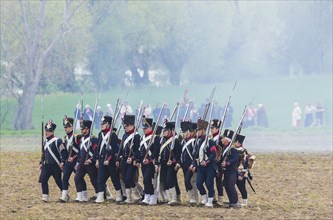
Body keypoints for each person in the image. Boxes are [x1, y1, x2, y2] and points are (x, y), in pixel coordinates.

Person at [95, 116, 122, 203]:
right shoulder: (100, 134)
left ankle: (119, 195)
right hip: (102, 159)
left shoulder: (113, 135)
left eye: (104, 124)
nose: (102, 125)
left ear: (108, 125)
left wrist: (109, 159)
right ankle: (100, 196)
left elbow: (114, 149)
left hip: (110, 161)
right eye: (101, 124)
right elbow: (98, 148)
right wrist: (97, 159)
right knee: (100, 179)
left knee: (114, 178)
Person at [116, 114, 141, 204]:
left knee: (128, 178)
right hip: (124, 160)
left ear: (132, 125)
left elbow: (139, 150)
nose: (125, 127)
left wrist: (133, 157)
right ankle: (129, 198)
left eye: (127, 126)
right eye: (124, 126)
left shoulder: (137, 136)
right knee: (124, 179)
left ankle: (136, 195)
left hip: (132, 161)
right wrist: (118, 159)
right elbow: (121, 149)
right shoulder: (124, 136)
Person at [156, 121, 181, 206]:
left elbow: (178, 154)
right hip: (163, 164)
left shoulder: (175, 141)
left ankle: (174, 198)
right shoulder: (162, 140)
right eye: (164, 130)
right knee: (165, 181)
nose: (164, 132)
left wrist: (173, 161)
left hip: (171, 165)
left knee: (170, 180)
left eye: (166, 130)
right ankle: (169, 199)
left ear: (171, 131)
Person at [193, 119, 216, 208]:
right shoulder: (198, 141)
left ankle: (210, 201)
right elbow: (195, 154)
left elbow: (214, 154)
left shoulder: (210, 141)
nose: (197, 132)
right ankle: (204, 199)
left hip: (209, 166)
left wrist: (207, 161)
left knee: (209, 184)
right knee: (198, 183)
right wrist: (195, 164)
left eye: (198, 130)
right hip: (200, 166)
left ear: (203, 130)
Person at [74, 119, 99, 202]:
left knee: (94, 180)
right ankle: (80, 196)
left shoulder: (93, 139)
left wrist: (91, 160)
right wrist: (77, 162)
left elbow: (96, 152)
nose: (81, 130)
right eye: (81, 129)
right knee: (77, 178)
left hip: (90, 163)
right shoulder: (81, 139)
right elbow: (80, 152)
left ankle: (99, 195)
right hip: (81, 163)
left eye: (83, 129)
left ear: (88, 129)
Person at [138, 117, 161, 205]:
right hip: (143, 162)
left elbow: (156, 151)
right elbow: (141, 150)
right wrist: (140, 160)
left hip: (151, 163)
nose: (144, 130)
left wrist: (150, 159)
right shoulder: (142, 138)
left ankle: (151, 196)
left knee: (148, 179)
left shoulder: (155, 138)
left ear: (151, 128)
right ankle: (147, 196)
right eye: (143, 128)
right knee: (145, 180)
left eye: (146, 128)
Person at [39, 120, 63, 202]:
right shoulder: (45, 141)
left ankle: (64, 194)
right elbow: (43, 153)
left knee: (58, 181)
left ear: (52, 132)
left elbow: (63, 153)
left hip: (55, 165)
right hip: (47, 165)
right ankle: (45, 196)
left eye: (48, 131)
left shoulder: (58, 141)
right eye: (46, 131)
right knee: (43, 180)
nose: (46, 133)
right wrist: (41, 162)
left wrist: (62, 162)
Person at [59, 116, 81, 203]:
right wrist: (63, 161)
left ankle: (81, 195)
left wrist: (75, 158)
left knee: (78, 178)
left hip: (76, 161)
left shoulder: (77, 137)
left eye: (67, 127)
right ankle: (64, 196)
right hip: (68, 161)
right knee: (65, 178)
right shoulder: (65, 138)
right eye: (65, 127)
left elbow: (81, 150)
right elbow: (64, 152)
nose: (66, 129)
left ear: (72, 126)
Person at [180, 121, 197, 206]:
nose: (183, 134)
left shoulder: (193, 141)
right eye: (182, 132)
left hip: (190, 165)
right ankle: (192, 199)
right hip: (184, 165)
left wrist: (193, 164)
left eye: (185, 132)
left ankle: (193, 199)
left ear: (190, 132)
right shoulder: (183, 142)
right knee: (187, 182)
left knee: (188, 181)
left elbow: (195, 154)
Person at [221, 129, 239, 208]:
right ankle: (231, 201)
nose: (221, 139)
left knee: (231, 185)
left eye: (223, 138)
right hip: (226, 171)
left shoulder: (232, 148)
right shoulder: (225, 147)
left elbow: (235, 159)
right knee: (226, 185)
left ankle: (235, 202)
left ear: (226, 140)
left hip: (232, 170)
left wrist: (227, 163)